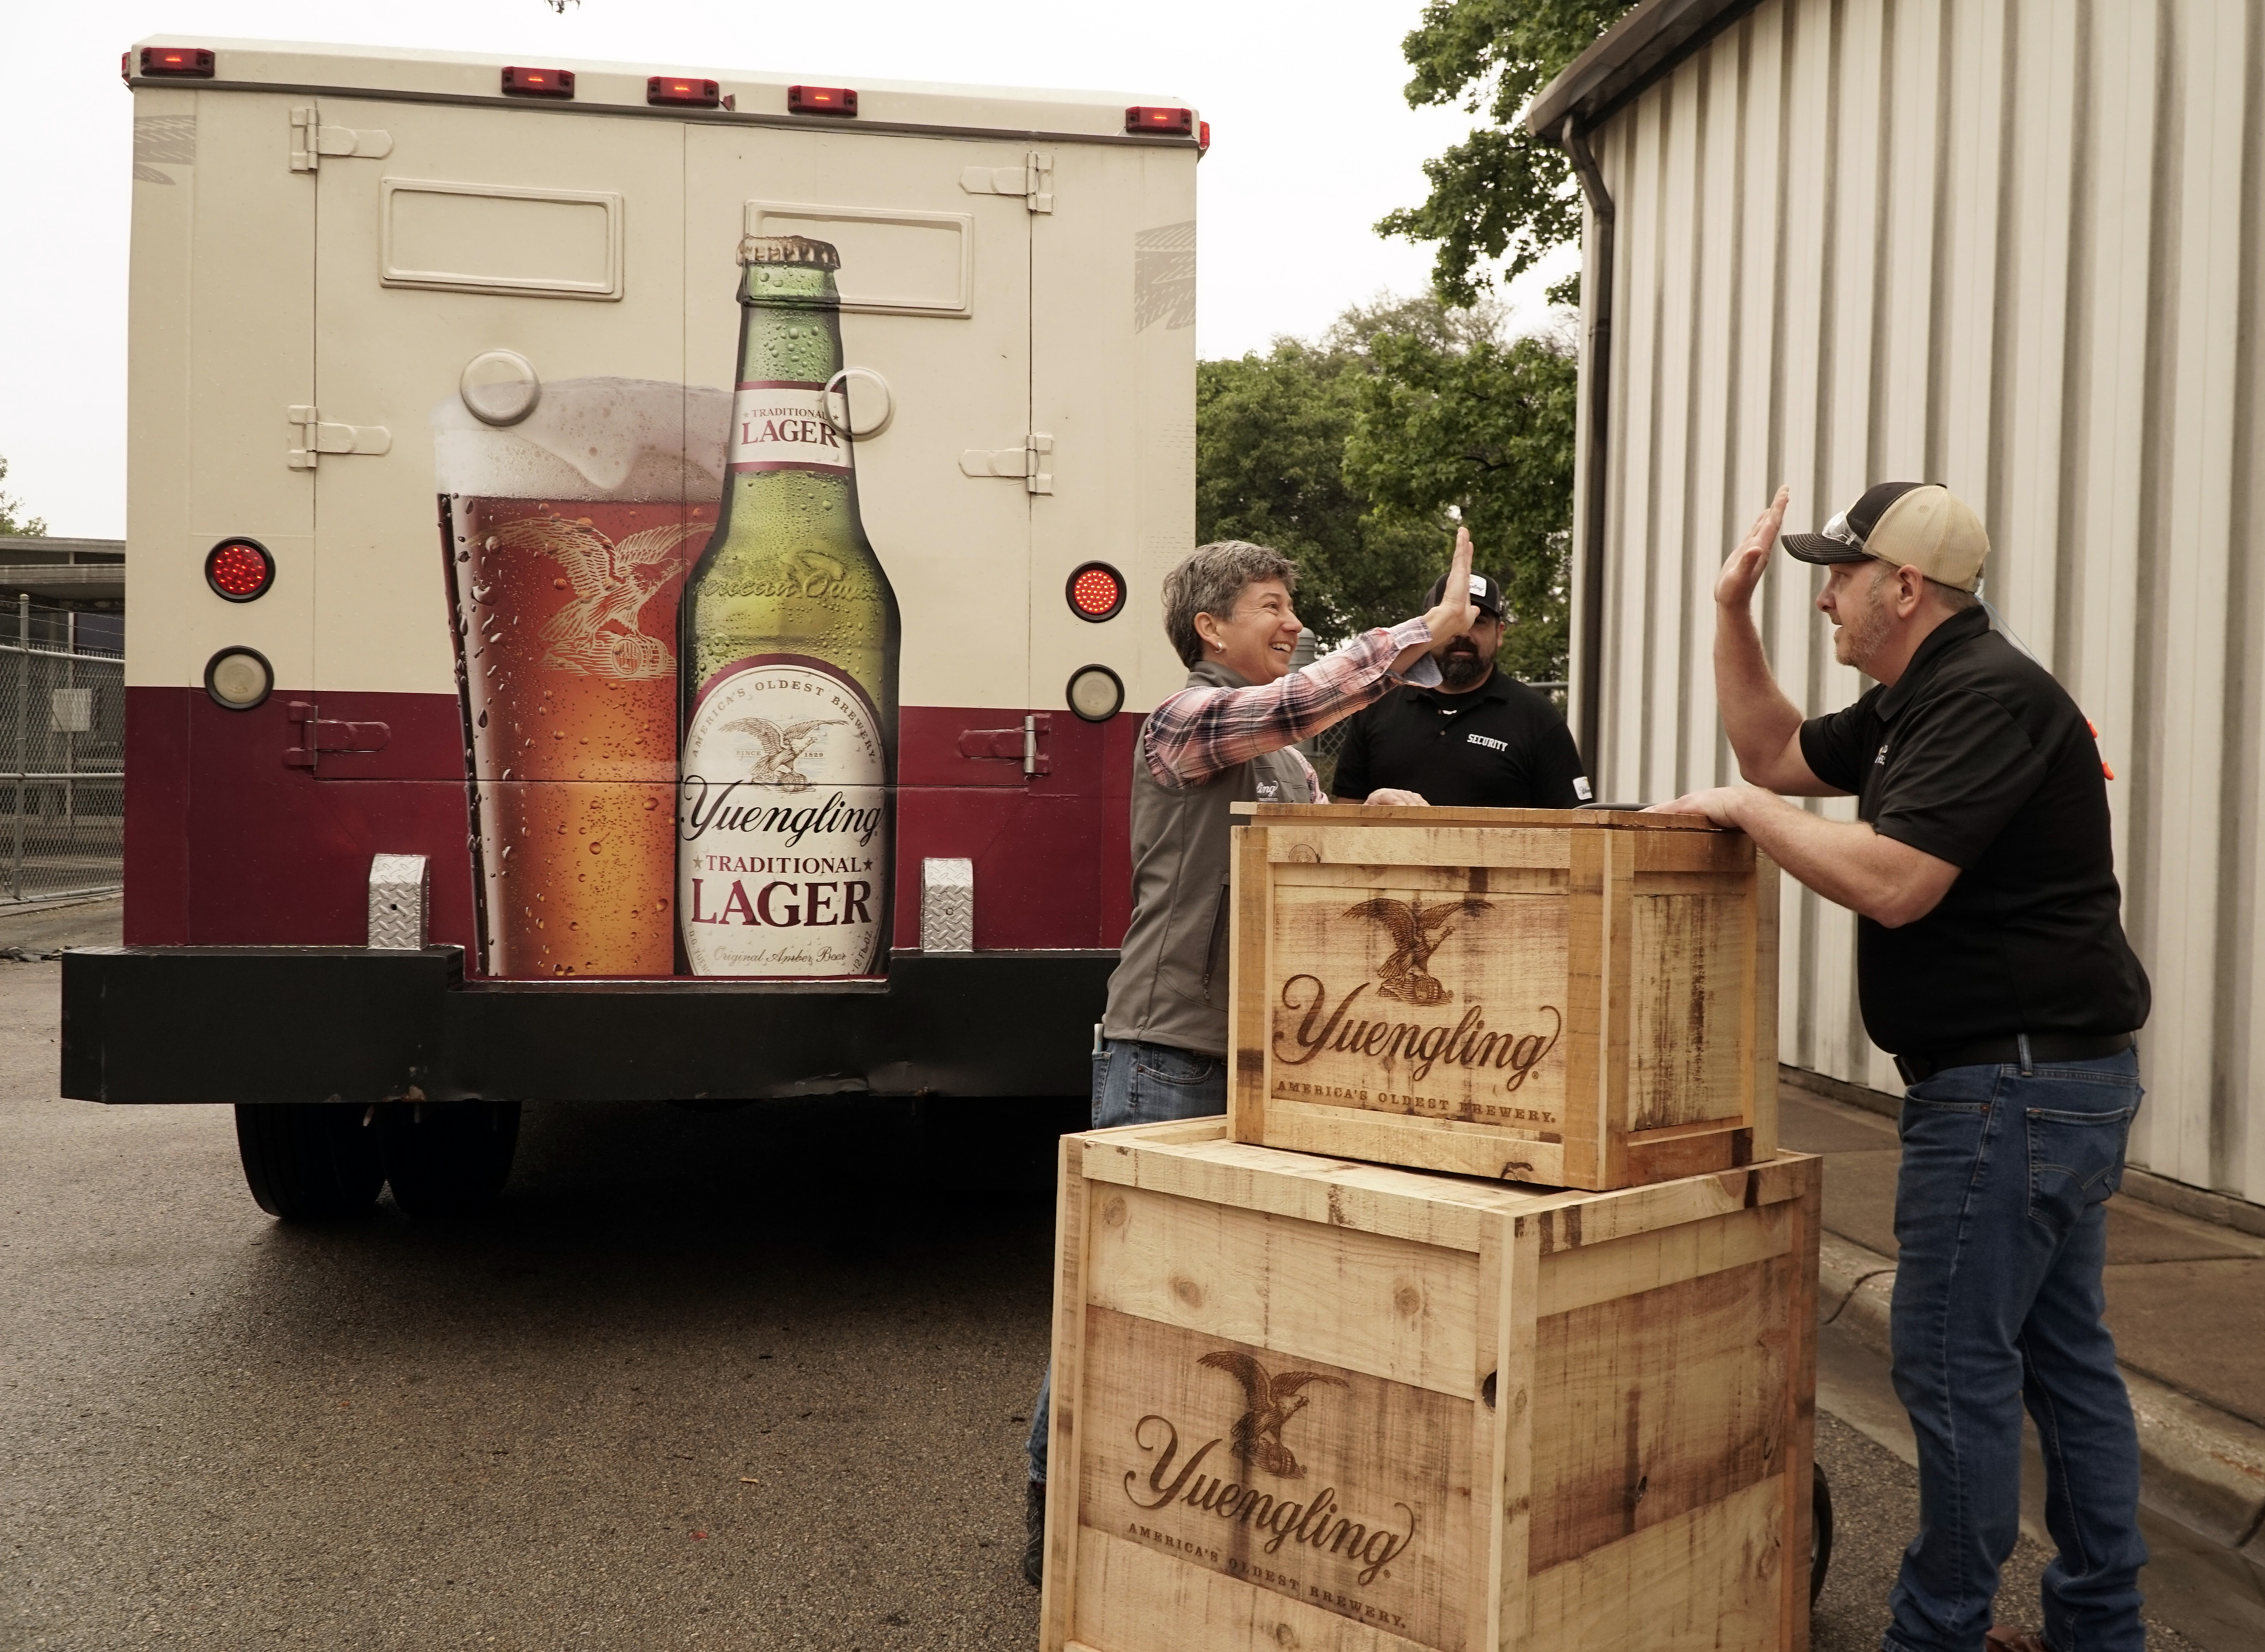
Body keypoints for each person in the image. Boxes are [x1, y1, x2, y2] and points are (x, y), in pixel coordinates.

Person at [1653, 482, 2151, 1652]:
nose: (1821, 595)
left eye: (1836, 576)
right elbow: (1775, 753)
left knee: (1947, 1370)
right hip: (2042, 1085)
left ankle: (1935, 1631)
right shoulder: (1914, 698)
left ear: (1902, 589)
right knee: (2060, 1365)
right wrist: (1731, 611)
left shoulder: (1979, 698)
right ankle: (2097, 1628)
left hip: (2008, 1091)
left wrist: (1731, 812)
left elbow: (1892, 879)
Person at [1018, 529, 1483, 1588]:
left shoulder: (1275, 755)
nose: (1292, 623)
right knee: (1113, 1298)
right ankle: (1053, 1507)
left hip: (1254, 1061)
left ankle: (1180, 1515)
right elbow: (1293, 703)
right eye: (1272, 606)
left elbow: (1294, 857)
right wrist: (1426, 632)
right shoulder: (1183, 721)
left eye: (1292, 604)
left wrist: (1365, 812)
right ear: (1209, 628)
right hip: (1163, 1054)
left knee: (1218, 1302)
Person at [1328, 568, 1591, 809]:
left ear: (1499, 633)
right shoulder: (1377, 703)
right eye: (1453, 621)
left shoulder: (1537, 718)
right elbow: (1347, 814)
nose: (1464, 633)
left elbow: (1574, 829)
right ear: (1426, 629)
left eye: (1479, 621)